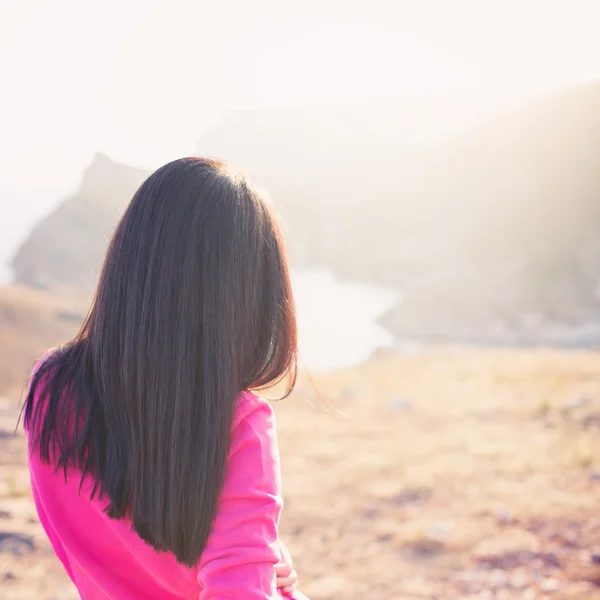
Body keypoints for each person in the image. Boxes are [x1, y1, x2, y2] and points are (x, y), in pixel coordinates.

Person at [22, 157, 309, 599]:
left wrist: (253, 551)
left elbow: (124, 543)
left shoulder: (50, 389)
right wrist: (249, 564)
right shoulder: (238, 422)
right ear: (248, 301)